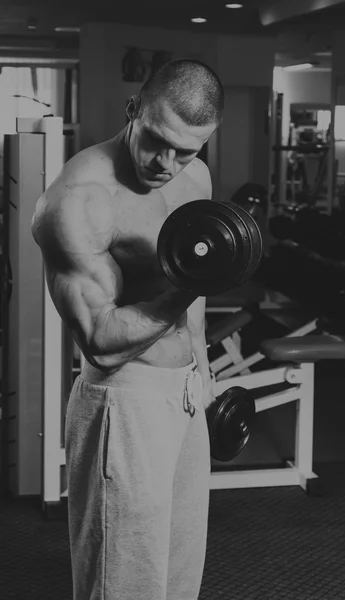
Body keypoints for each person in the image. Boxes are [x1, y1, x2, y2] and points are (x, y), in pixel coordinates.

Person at [32, 59, 224, 600]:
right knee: (123, 583)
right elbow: (99, 340)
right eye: (156, 141)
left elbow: (197, 292)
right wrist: (189, 285)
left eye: (185, 150)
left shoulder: (198, 177)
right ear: (133, 109)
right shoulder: (79, 199)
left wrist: (202, 371)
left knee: (178, 575)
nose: (166, 162)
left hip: (185, 392)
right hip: (125, 399)